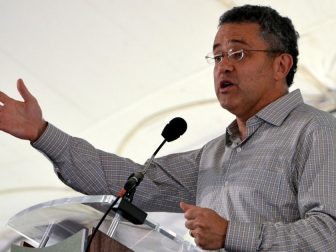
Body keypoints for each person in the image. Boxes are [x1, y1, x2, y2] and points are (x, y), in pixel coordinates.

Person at [1, 4, 336, 251]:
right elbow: (126, 182)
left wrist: (230, 233)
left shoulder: (315, 130)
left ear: (281, 64)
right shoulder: (214, 155)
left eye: (238, 53)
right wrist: (41, 133)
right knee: (103, 242)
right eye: (217, 57)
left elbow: (329, 233)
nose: (224, 67)